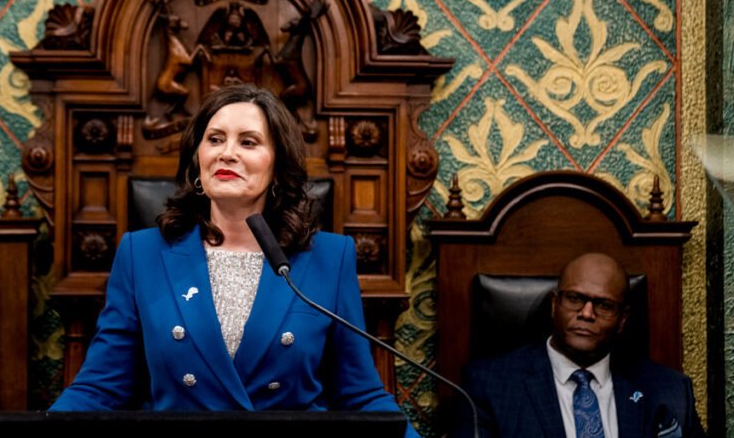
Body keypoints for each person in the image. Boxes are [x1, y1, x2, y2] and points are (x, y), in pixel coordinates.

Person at [50, 83, 420, 436]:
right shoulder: (142, 254)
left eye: (248, 142)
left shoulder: (329, 259)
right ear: (198, 158)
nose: (227, 153)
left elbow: (360, 394)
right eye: (214, 139)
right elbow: (101, 386)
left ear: (277, 165)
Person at [455, 253, 703, 438]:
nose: (586, 313)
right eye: (575, 299)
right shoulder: (490, 386)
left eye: (604, 305)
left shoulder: (669, 390)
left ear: (622, 319)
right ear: (554, 305)